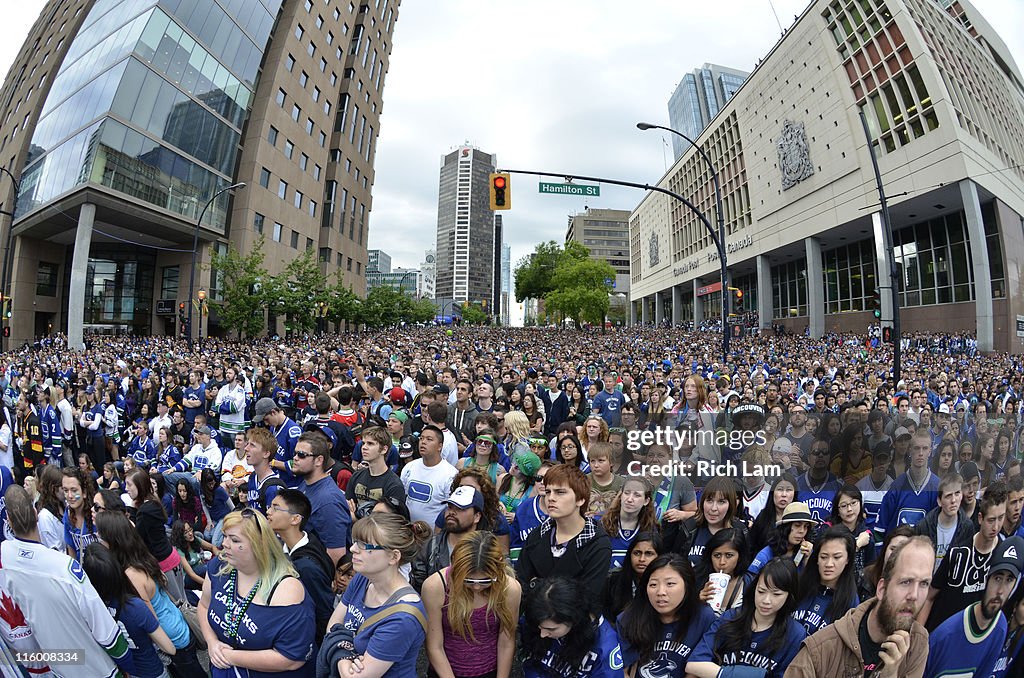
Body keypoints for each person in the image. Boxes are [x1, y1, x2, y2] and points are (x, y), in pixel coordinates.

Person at [0, 485, 136, 677]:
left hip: (60, 667)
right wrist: (128, 665)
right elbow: (105, 631)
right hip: (97, 669)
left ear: (9, 523)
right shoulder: (64, 567)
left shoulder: (5, 556)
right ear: (35, 513)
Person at [784, 535, 935, 678]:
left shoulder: (917, 642)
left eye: (924, 584)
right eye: (906, 582)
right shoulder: (820, 650)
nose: (914, 595)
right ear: (882, 589)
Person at [198, 509, 316, 677]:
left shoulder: (285, 590)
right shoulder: (220, 566)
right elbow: (203, 605)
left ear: (259, 545)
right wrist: (212, 643)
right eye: (225, 536)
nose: (224, 544)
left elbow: (292, 659)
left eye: (234, 539)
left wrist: (229, 656)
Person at [317, 512, 430, 677]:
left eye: (364, 545)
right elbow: (333, 623)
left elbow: (355, 676)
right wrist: (346, 657)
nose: (352, 548)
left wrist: (339, 652)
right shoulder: (363, 578)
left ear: (393, 556)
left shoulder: (403, 617)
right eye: (355, 541)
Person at [96, 510, 207, 677]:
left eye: (100, 536)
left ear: (111, 541)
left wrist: (165, 648)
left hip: (173, 638)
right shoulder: (141, 556)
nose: (98, 540)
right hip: (177, 624)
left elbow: (151, 619)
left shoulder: (131, 576)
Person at [422, 531, 521, 678]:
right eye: (467, 580)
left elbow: (506, 641)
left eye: (485, 581)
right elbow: (434, 646)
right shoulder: (435, 586)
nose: (476, 587)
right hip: (445, 671)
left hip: (490, 671)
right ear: (454, 562)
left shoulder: (509, 589)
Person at [516, 464, 612, 614]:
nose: (551, 498)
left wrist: (536, 584)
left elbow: (585, 599)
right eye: (548, 492)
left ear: (580, 499)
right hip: (533, 627)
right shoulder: (536, 536)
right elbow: (520, 585)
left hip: (576, 631)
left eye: (560, 492)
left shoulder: (598, 544)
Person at [687, 558, 805, 678]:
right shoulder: (731, 617)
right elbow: (694, 664)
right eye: (761, 591)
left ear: (789, 596)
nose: (766, 600)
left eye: (776, 594)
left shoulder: (795, 634)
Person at [925, 535, 1023, 678]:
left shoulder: (1000, 627)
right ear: (986, 578)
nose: (1000, 591)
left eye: (1009, 580)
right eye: (997, 578)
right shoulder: (944, 636)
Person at [82, 542, 177, 678]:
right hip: (152, 670)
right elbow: (170, 648)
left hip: (129, 671)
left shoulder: (94, 609)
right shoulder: (134, 606)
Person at [922, 480, 1007, 630]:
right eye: (991, 520)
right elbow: (930, 596)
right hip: (944, 630)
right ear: (980, 518)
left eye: (1001, 518)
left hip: (975, 635)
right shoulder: (958, 552)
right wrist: (917, 635)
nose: (996, 527)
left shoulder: (1002, 555)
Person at [618, 554, 717, 677]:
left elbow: (698, 669)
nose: (660, 592)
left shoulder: (703, 617)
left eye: (670, 584)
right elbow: (622, 671)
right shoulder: (629, 618)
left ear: (687, 585)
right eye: (653, 584)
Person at [519, 576, 624, 677]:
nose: (543, 634)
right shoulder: (534, 619)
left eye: (551, 629)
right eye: (540, 628)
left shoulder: (604, 648)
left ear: (574, 619)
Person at [266, 489, 335, 643]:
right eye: (270, 506)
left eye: (275, 508)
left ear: (295, 519)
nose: (268, 512)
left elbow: (323, 613)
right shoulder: (303, 542)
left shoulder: (306, 567)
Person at [125, 468, 186, 603]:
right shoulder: (152, 502)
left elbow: (136, 538)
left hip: (165, 562)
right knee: (182, 601)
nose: (126, 488)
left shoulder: (145, 510)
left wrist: (131, 510)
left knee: (180, 605)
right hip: (170, 556)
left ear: (139, 486)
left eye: (129, 484)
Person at [294, 430, 352, 566]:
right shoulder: (306, 483)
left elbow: (336, 554)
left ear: (319, 460)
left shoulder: (328, 501)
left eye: (302, 455)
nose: (295, 458)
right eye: (295, 453)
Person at [411, 486, 484, 591]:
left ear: (477, 516)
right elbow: (419, 587)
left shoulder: (486, 549)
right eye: (450, 507)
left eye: (460, 509)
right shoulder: (429, 547)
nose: (452, 512)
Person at [873, 430, 940, 542]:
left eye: (925, 448)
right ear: (910, 450)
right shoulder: (897, 485)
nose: (920, 453)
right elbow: (880, 528)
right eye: (917, 448)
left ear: (930, 451)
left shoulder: (937, 487)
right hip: (896, 553)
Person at [790, 527, 859, 636]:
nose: (829, 564)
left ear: (847, 560)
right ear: (816, 558)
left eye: (837, 557)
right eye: (824, 557)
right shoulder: (799, 585)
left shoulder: (850, 602)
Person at [673, 476, 746, 566]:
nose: (713, 508)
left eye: (721, 502)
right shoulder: (689, 527)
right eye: (709, 500)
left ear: (730, 505)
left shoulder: (741, 531)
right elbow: (675, 563)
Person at [913, 471, 976, 572]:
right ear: (939, 501)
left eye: (957, 493)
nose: (953, 500)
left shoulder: (967, 527)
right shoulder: (924, 526)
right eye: (948, 496)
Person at [401, 424, 458, 525]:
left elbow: (451, 509)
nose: (423, 442)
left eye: (429, 439)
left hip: (434, 535)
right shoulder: (409, 467)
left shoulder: (450, 474)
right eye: (421, 438)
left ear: (440, 446)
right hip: (409, 532)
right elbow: (403, 497)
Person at [603, 531, 663, 622]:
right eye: (637, 553)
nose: (642, 559)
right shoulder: (612, 581)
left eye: (648, 553)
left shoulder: (665, 585)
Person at [346, 425, 407, 514]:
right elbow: (348, 508)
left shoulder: (394, 485)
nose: (364, 447)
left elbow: (392, 521)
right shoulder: (356, 476)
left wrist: (355, 518)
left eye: (370, 444)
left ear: (384, 449)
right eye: (363, 443)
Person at [748, 502, 815, 580]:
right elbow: (749, 581)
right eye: (797, 525)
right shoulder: (766, 554)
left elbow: (812, 584)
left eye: (806, 526)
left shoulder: (807, 552)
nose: (802, 531)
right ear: (785, 528)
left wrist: (807, 560)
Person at [602, 476, 657, 569]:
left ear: (646, 501)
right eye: (627, 493)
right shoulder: (600, 523)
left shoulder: (651, 529)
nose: (630, 499)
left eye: (637, 495)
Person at [695, 528, 751, 616]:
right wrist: (697, 602)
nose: (722, 562)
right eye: (717, 555)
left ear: (740, 556)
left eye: (729, 555)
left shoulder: (749, 583)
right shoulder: (697, 578)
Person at [244, 425, 285, 514]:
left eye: (252, 445)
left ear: (266, 453)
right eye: (247, 444)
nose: (246, 448)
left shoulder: (273, 489)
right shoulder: (253, 477)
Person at [61, 466, 98, 559]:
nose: (69, 496)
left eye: (74, 490)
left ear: (84, 492)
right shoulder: (68, 515)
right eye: (65, 490)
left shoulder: (96, 514)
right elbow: (71, 550)